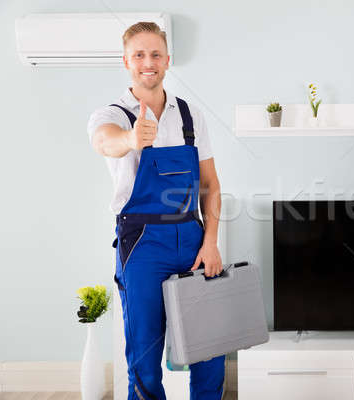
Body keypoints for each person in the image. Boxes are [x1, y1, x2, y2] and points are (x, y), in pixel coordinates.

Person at [87, 22, 225, 400]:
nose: (148, 63)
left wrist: (211, 242)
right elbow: (104, 141)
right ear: (126, 61)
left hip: (193, 237)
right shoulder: (111, 114)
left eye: (155, 54)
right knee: (145, 353)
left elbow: (210, 186)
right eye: (139, 55)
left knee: (210, 348)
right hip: (143, 242)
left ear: (167, 59)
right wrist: (131, 138)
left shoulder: (190, 115)